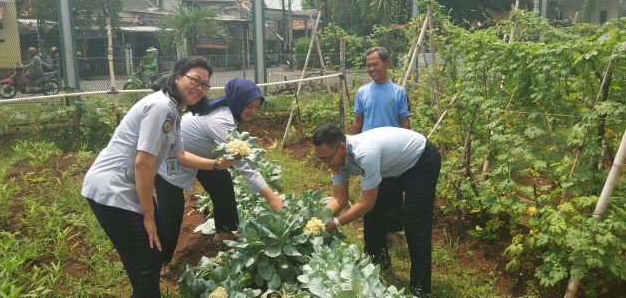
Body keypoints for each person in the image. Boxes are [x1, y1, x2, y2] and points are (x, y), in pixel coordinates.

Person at [81, 56, 232, 298]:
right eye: (195, 80)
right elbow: (143, 163)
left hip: (126, 186)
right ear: (177, 77)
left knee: (156, 243)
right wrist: (148, 216)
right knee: (147, 263)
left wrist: (216, 164)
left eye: (205, 85)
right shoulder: (161, 107)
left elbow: (180, 156)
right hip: (111, 189)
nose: (200, 88)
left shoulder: (173, 111)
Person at [154, 78, 283, 276]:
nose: (252, 111)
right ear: (238, 100)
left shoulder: (230, 112)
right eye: (249, 106)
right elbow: (243, 166)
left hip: (201, 156)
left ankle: (225, 231)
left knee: (222, 185)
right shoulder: (222, 120)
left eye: (256, 107)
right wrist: (272, 197)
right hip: (172, 160)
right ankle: (160, 261)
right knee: (172, 213)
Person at [313, 123, 441, 296]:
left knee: (413, 222)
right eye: (321, 160)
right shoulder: (338, 160)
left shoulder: (365, 154)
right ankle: (377, 258)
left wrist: (334, 223)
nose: (326, 164)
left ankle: (421, 285)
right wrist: (319, 220)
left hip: (422, 159)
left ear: (342, 147)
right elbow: (339, 199)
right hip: (394, 166)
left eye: (327, 159)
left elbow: (366, 203)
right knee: (376, 213)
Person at [351, 46, 411, 246]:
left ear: (387, 63)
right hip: (369, 151)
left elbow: (405, 124)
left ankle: (391, 231)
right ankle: (374, 230)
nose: (371, 69)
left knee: (393, 192)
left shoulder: (399, 92)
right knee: (371, 191)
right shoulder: (363, 92)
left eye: (375, 64)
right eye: (368, 65)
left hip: (392, 152)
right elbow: (358, 121)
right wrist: (352, 147)